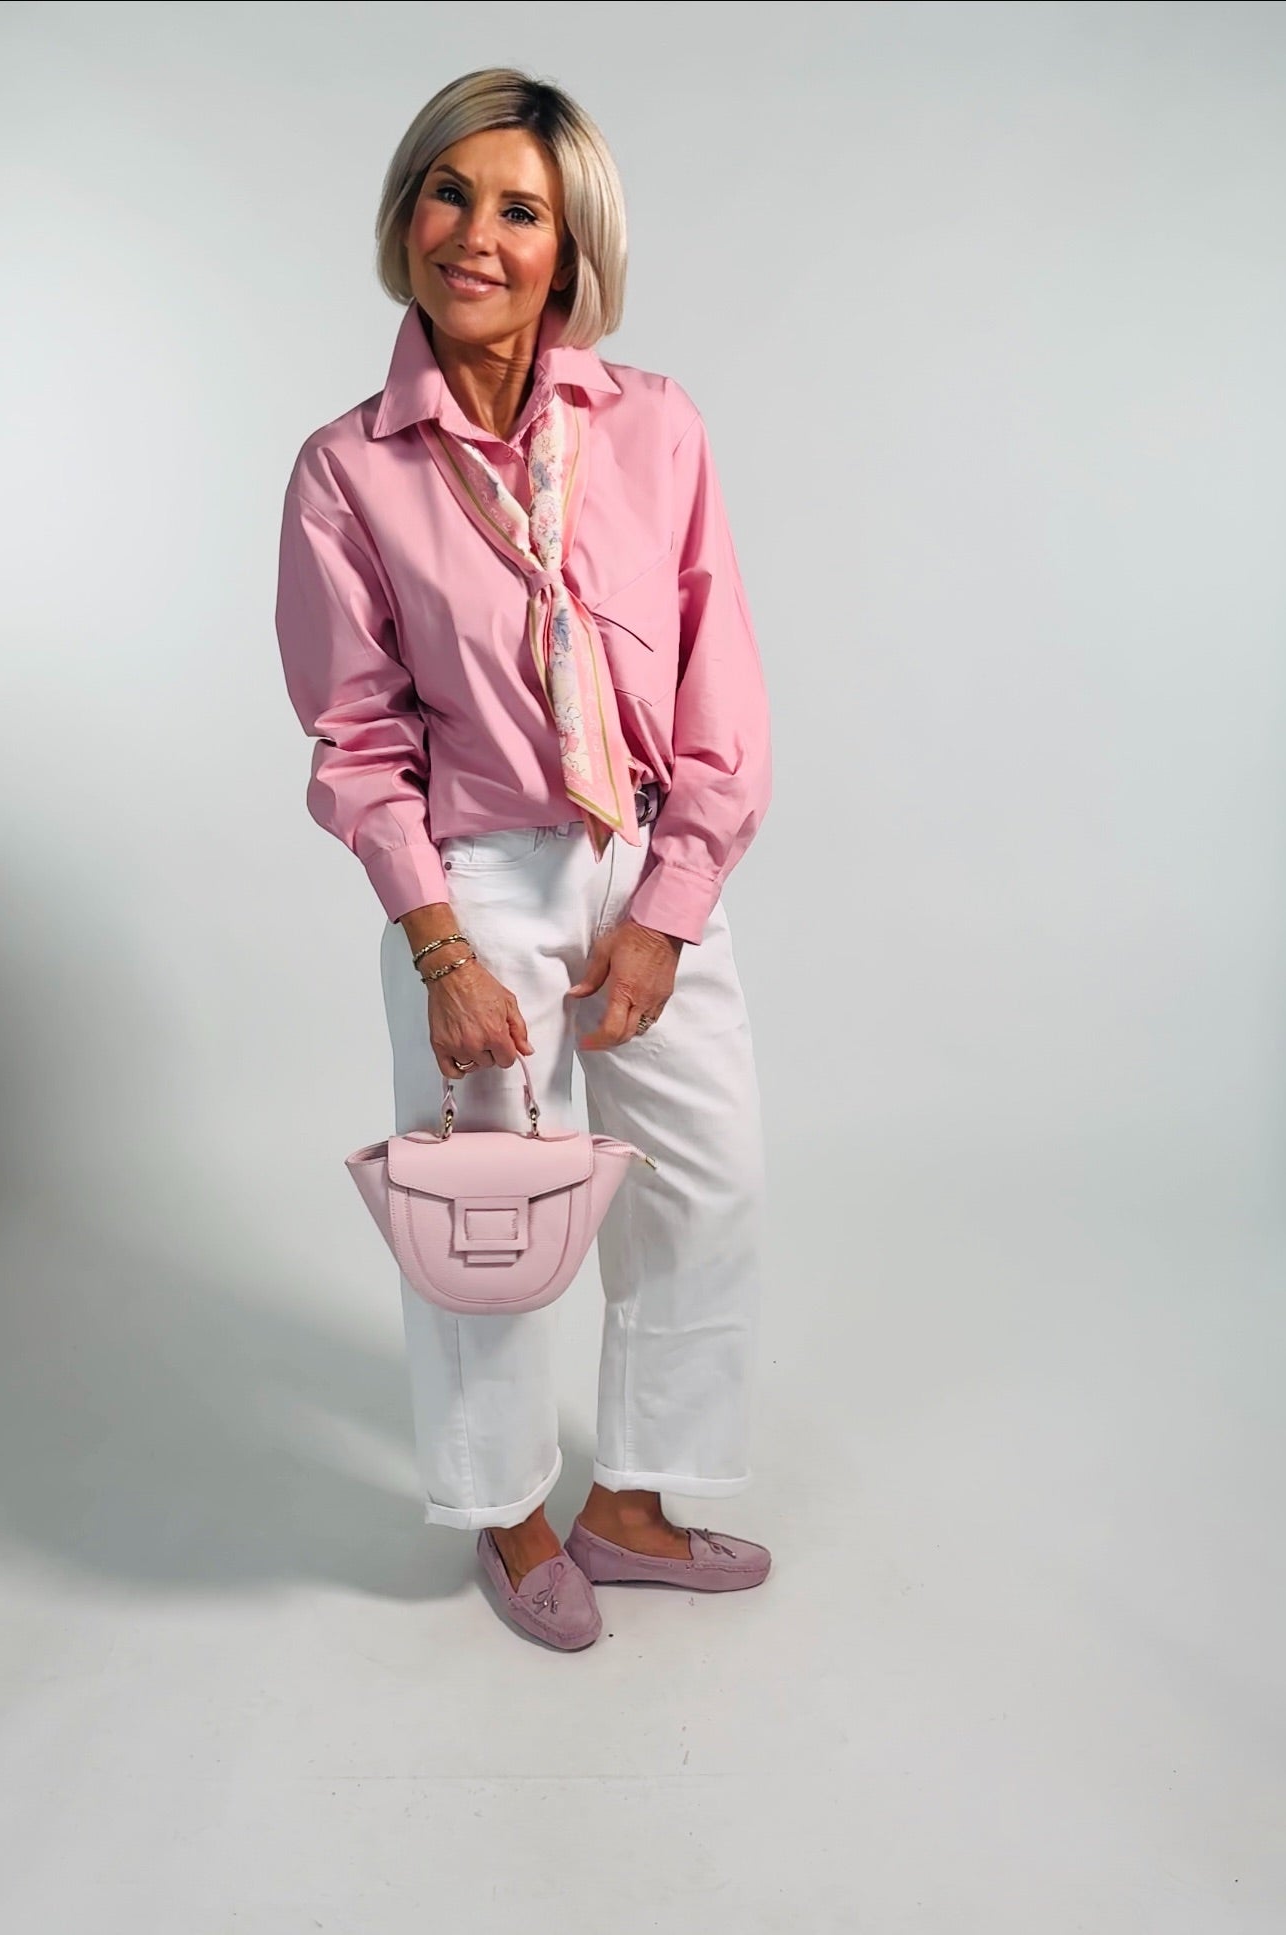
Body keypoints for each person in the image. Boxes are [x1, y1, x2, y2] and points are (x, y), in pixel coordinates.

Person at [273, 67, 773, 1651]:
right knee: (480, 1218)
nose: (473, 236)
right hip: (473, 877)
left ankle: (633, 1500)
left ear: (570, 250)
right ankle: (509, 1512)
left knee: (706, 1181)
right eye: (448, 192)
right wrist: (440, 949)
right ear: (404, 213)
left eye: (518, 210)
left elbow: (719, 679)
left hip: (646, 854)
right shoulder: (348, 470)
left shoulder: (655, 427)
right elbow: (354, 735)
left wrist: (670, 907)